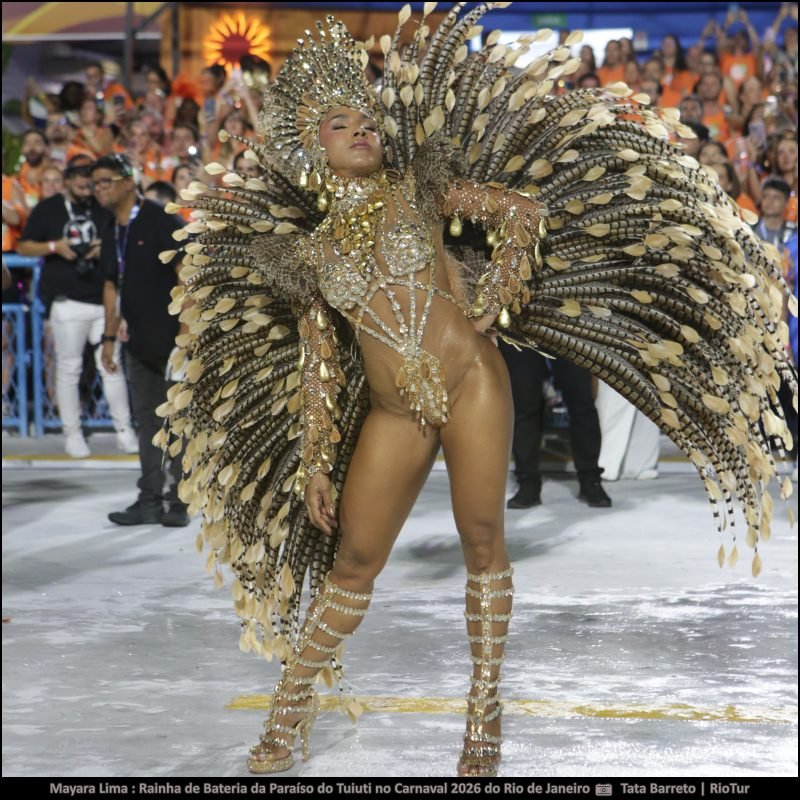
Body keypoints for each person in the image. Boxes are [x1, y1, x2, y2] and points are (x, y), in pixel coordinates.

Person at [158, 9, 796, 778]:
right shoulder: (311, 255)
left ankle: (483, 710)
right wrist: (317, 463)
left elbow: (520, 213)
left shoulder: (417, 190)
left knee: (482, 541)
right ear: (313, 149)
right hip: (397, 411)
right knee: (355, 558)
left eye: (366, 119)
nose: (362, 130)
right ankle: (289, 715)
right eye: (341, 124)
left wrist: (493, 301)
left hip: (471, 383)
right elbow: (320, 363)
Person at [92, 154, 190, 527]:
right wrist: (107, 336)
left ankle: (179, 502)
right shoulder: (110, 227)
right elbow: (111, 283)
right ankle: (149, 499)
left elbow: (188, 273)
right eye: (95, 183)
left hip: (172, 341)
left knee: (177, 422)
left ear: (128, 181)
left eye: (106, 181)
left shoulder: (160, 218)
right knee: (147, 423)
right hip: (137, 343)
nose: (99, 188)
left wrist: (185, 336)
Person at [16, 160, 137, 458]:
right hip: (66, 301)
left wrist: (102, 248)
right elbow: (23, 247)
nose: (87, 185)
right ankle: (72, 433)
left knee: (112, 366)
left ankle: (124, 430)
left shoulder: (103, 206)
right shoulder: (48, 208)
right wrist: (55, 247)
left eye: (91, 180)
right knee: (69, 369)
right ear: (67, 179)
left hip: (103, 299)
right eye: (81, 179)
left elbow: (123, 241)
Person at [500, 346, 612, 508]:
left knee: (582, 402)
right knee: (524, 404)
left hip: (568, 325)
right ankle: (527, 482)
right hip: (521, 327)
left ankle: (590, 480)